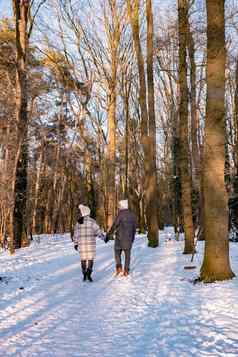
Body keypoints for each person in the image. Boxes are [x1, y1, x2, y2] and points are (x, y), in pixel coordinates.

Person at [73, 204, 105, 282]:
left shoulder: (78, 222)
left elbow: (76, 234)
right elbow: (98, 231)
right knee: (90, 259)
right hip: (91, 245)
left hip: (82, 244)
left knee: (83, 259)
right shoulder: (92, 221)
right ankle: (89, 274)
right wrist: (104, 238)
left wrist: (75, 243)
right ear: (88, 212)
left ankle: (84, 274)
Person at [105, 200, 137, 276]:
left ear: (122, 206)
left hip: (119, 238)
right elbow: (134, 228)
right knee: (127, 255)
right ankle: (126, 270)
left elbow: (114, 225)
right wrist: (132, 238)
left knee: (117, 252)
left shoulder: (120, 214)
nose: (119, 207)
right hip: (129, 239)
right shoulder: (132, 215)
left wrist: (108, 235)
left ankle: (119, 267)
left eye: (120, 205)